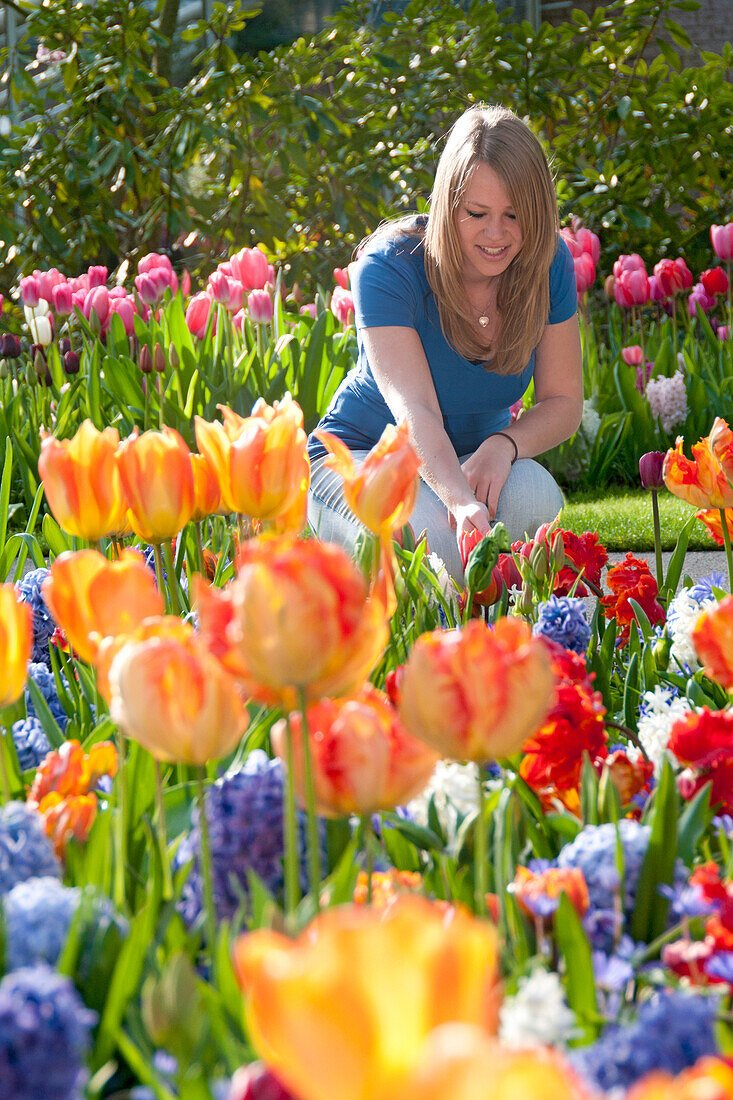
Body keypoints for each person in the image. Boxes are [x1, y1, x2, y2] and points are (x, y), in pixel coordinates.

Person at [307, 104, 583, 581]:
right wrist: (458, 500)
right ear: (446, 204)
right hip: (363, 458)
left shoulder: (547, 263)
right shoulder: (390, 265)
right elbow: (415, 410)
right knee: (426, 544)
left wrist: (504, 445)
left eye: (514, 215)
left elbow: (563, 402)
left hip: (475, 458)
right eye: (477, 213)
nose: (496, 235)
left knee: (538, 500)